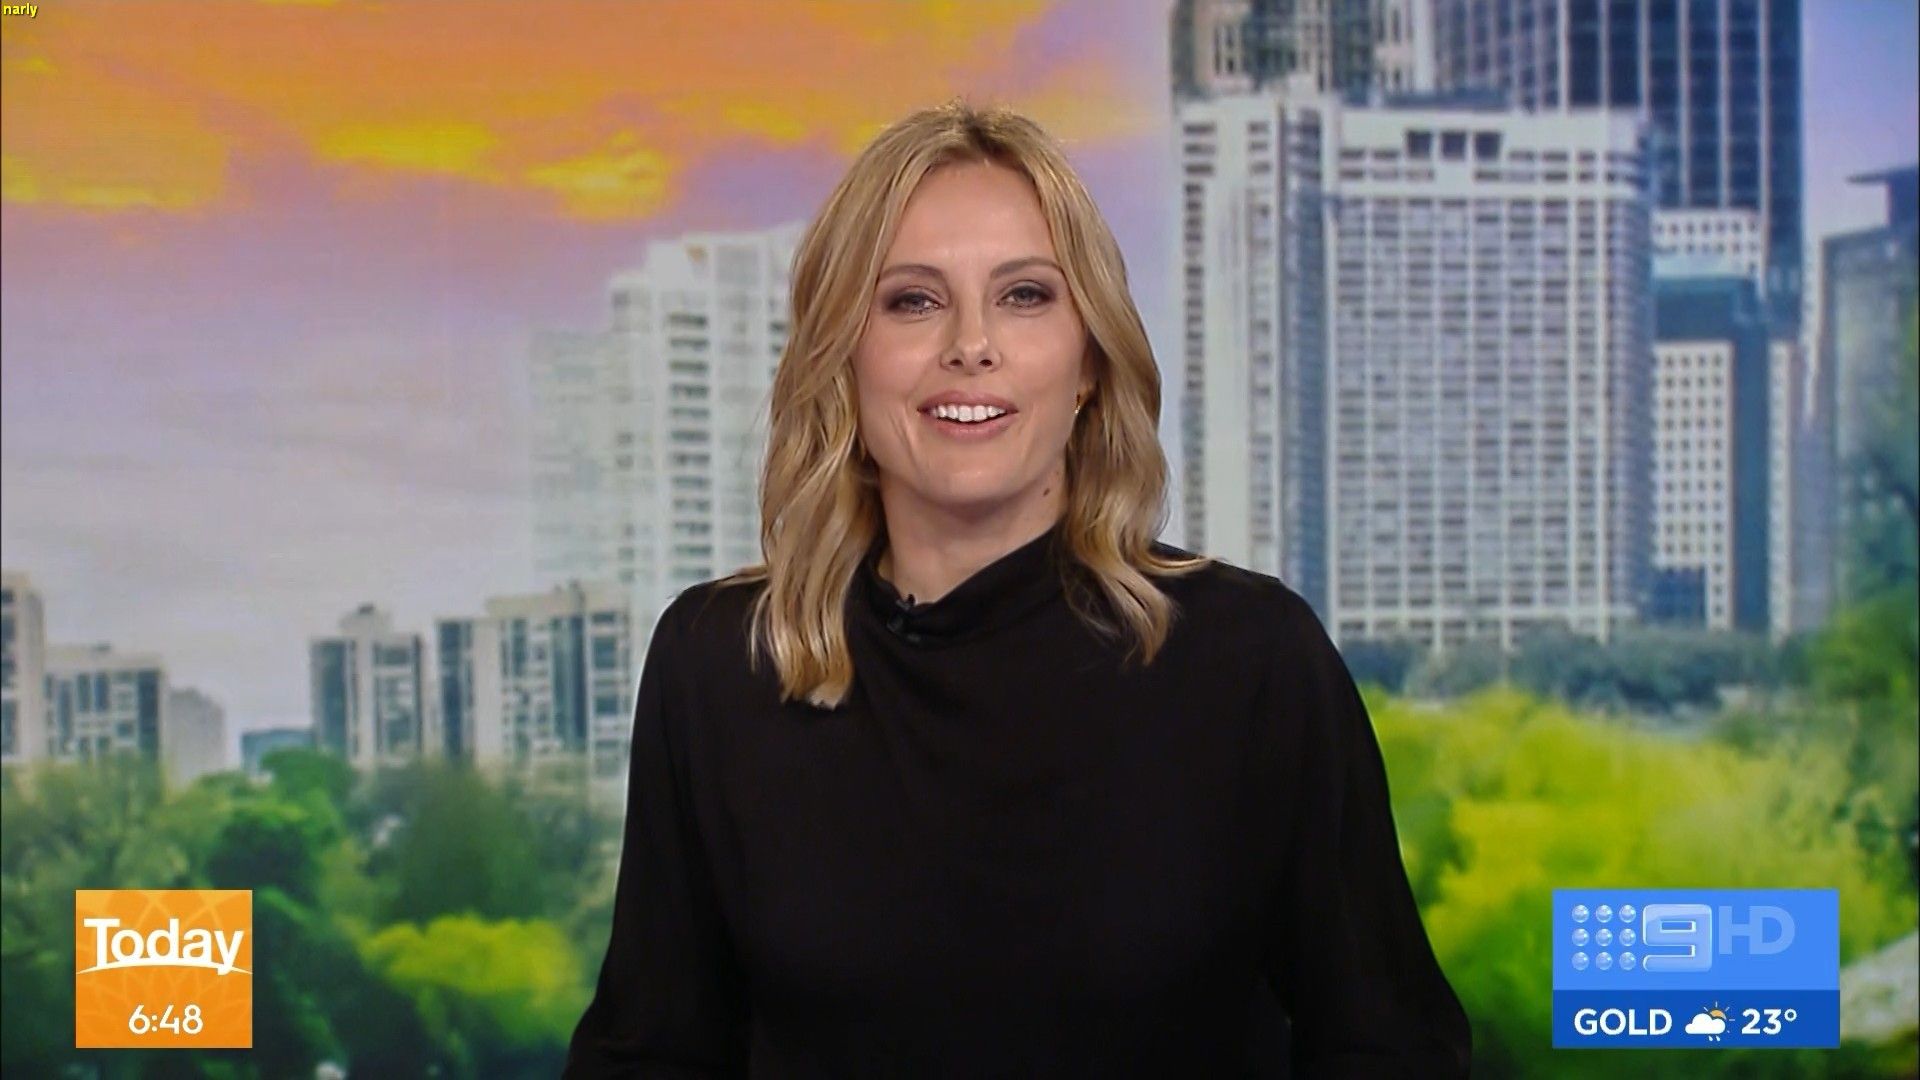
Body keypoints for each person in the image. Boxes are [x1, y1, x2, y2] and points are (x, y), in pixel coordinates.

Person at [564, 100, 1471, 1078]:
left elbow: (1391, 1049)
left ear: (1089, 364)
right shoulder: (721, 663)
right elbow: (649, 1055)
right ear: (843, 357)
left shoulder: (1251, 660)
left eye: (1025, 295)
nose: (971, 344)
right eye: (913, 301)